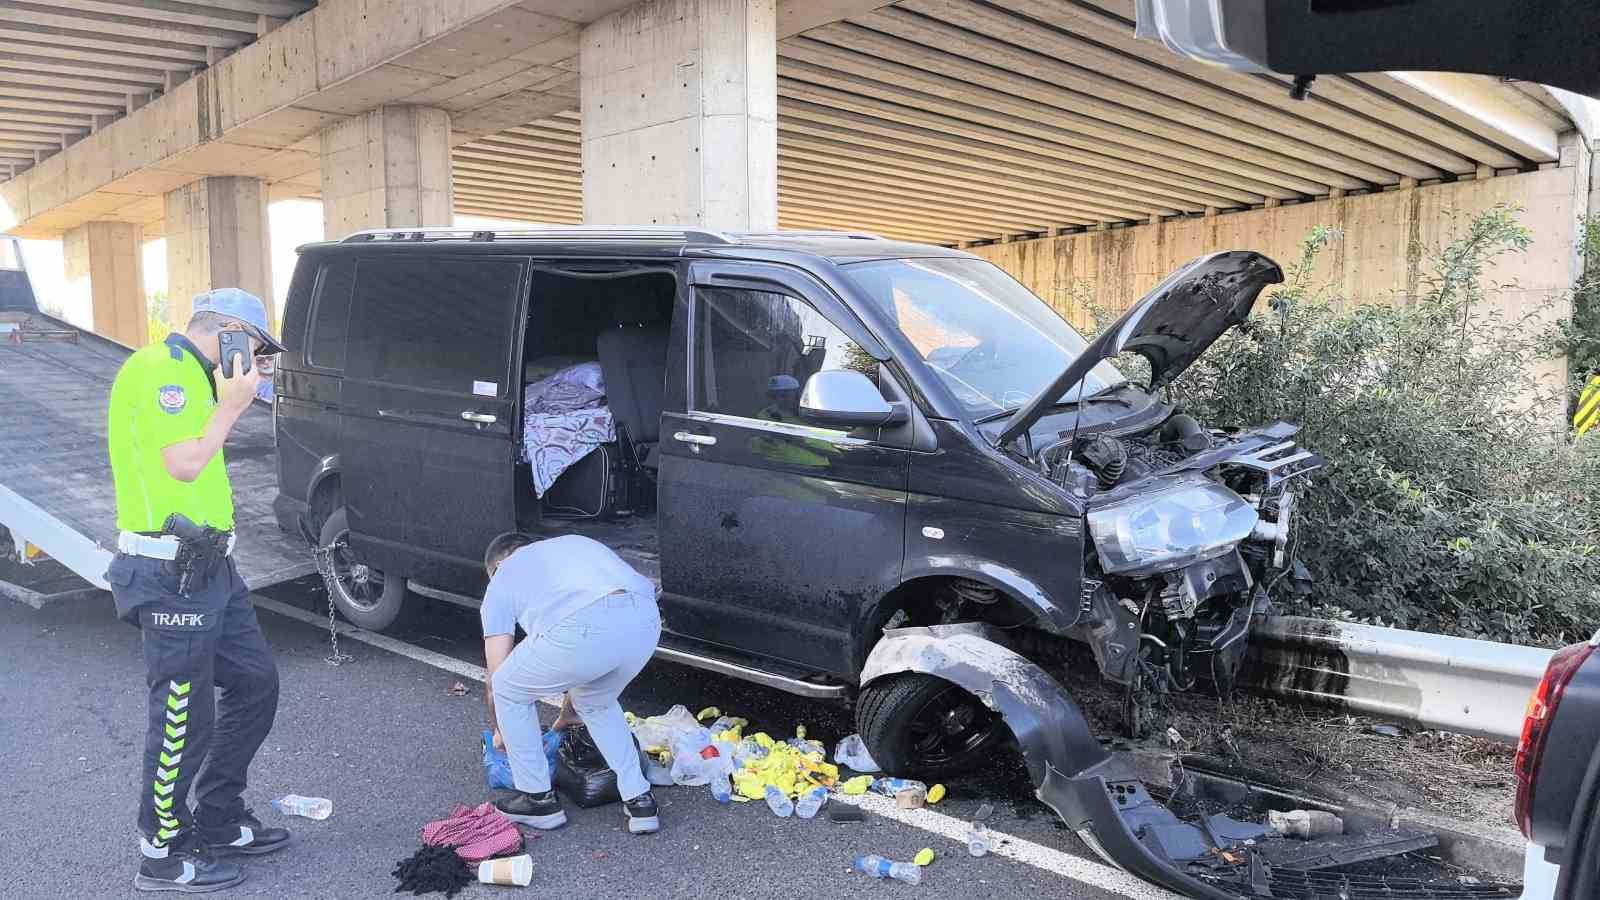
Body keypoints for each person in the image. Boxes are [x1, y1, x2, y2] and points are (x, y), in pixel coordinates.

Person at [105, 288, 288, 893]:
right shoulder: (162, 370)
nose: (257, 359)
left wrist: (234, 394)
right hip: (167, 572)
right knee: (185, 711)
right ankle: (160, 850)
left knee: (256, 682)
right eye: (256, 346)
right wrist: (234, 403)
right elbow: (183, 463)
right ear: (232, 331)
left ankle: (216, 814)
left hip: (212, 569)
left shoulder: (198, 381)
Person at [481, 532, 663, 835]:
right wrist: (567, 715)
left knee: (507, 689)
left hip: (584, 626)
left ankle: (538, 800)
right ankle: (639, 800)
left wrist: (503, 731)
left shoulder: (503, 576)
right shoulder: (574, 544)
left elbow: (495, 676)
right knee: (596, 702)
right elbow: (582, 664)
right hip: (645, 620)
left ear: (497, 565)